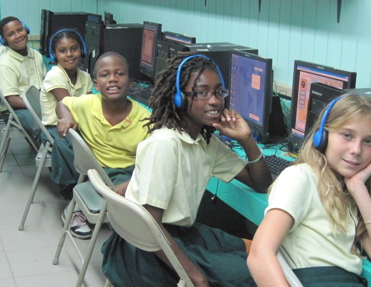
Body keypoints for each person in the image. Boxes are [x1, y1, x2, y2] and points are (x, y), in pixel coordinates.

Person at [101, 54, 272, 287]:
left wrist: (247, 139)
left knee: (260, 253)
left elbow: (260, 183)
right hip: (147, 251)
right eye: (202, 93)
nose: (215, 101)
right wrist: (194, 276)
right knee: (256, 273)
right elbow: (151, 225)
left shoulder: (205, 141)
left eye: (218, 92)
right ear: (180, 98)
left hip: (180, 234)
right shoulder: (165, 144)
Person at [247, 94, 371, 286]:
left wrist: (358, 188)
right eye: (347, 135)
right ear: (322, 136)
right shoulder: (302, 178)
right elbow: (260, 254)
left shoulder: (350, 192)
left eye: (368, 141)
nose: (356, 149)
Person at [56, 51, 151, 239]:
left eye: (120, 74)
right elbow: (62, 103)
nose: (113, 79)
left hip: (129, 171)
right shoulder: (87, 103)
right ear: (96, 84)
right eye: (105, 74)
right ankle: (82, 205)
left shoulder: (146, 119)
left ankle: (84, 200)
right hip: (102, 171)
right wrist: (66, 117)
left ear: (131, 83)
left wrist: (135, 181)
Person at [40, 29, 92, 200]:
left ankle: (92, 176)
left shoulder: (85, 76)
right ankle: (73, 182)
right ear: (54, 54)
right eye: (63, 51)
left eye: (74, 48)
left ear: (82, 50)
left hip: (78, 122)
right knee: (71, 142)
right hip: (54, 126)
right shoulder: (55, 75)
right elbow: (67, 104)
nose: (69, 54)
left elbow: (90, 105)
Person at [0, 16, 46, 144]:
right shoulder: (4, 64)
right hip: (16, 109)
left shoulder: (36, 55)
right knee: (44, 127)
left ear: (26, 30)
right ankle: (52, 159)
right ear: (4, 40)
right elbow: (11, 99)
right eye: (11, 34)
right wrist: (41, 106)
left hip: (38, 102)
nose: (18, 36)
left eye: (20, 30)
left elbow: (45, 84)